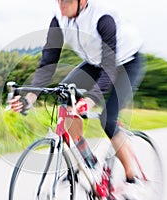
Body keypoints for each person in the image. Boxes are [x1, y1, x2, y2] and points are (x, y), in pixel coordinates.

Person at [10, 0, 144, 198]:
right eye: (59, 0)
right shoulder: (59, 19)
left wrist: (89, 100)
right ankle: (89, 162)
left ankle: (133, 179)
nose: (62, 5)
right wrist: (29, 98)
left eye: (67, 1)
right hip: (94, 63)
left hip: (126, 62)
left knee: (108, 119)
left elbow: (109, 67)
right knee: (64, 95)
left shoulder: (103, 18)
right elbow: (48, 62)